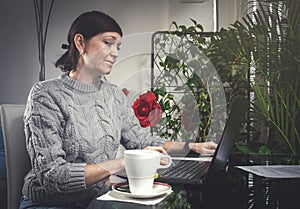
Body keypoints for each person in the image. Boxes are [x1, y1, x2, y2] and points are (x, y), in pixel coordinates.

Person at [19, 10, 217, 209]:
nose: (115, 53)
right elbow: (53, 177)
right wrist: (123, 162)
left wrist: (192, 147)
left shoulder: (113, 96)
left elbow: (142, 142)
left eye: (118, 46)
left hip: (98, 198)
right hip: (49, 203)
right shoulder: (45, 95)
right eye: (108, 42)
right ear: (80, 43)